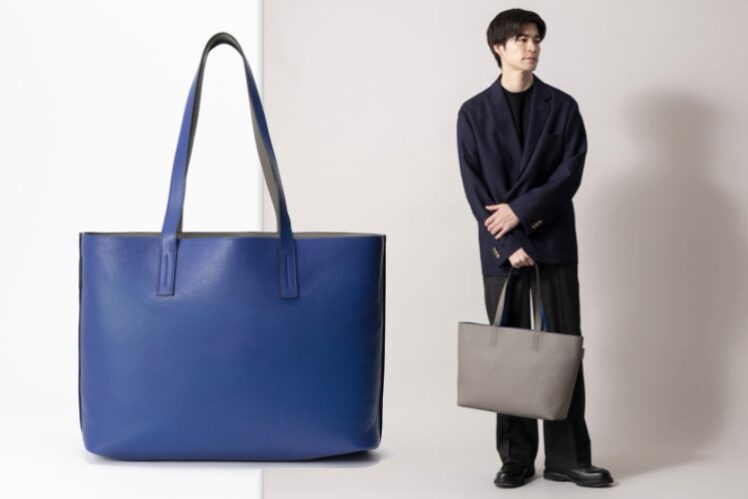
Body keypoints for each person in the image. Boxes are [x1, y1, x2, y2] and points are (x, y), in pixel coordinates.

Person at [456, 8, 614, 488]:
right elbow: (476, 188)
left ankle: (567, 457)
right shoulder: (473, 113)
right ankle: (516, 458)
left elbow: (569, 174)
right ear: (498, 47)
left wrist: (523, 216)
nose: (531, 47)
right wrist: (510, 241)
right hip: (501, 247)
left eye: (536, 39)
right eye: (521, 39)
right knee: (510, 352)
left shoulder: (562, 107)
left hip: (553, 240)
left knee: (562, 347)